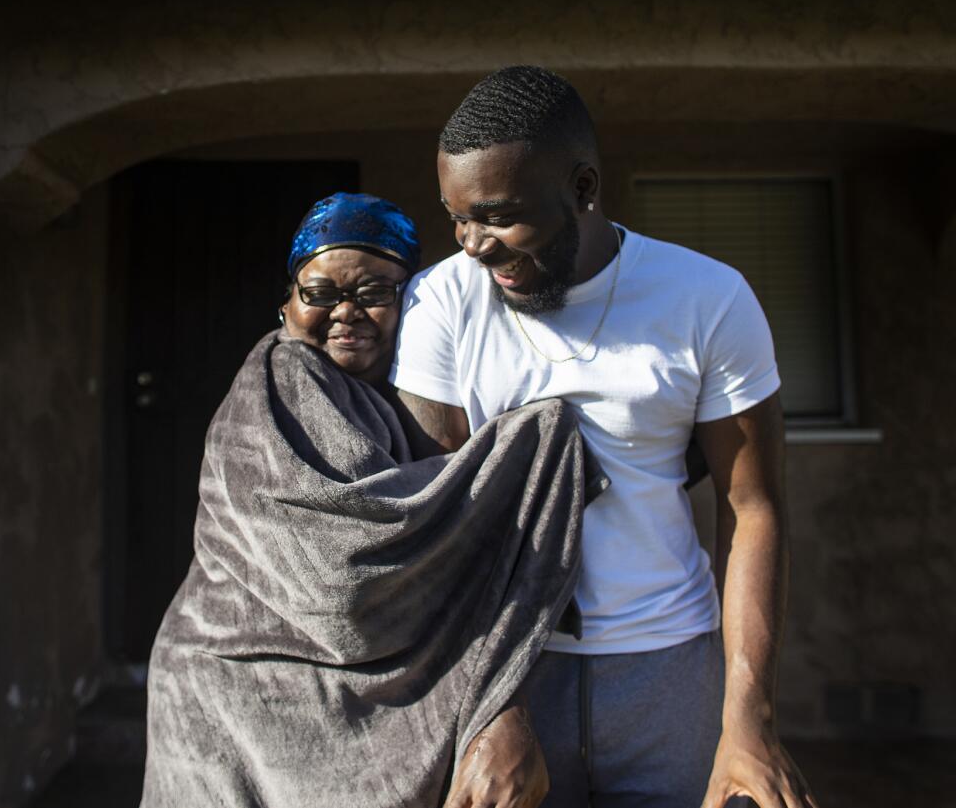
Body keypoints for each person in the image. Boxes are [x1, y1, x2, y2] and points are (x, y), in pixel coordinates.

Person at [390, 66, 819, 808]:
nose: (473, 246)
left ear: (583, 188)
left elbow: (753, 506)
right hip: (511, 669)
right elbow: (437, 524)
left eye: (498, 215)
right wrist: (497, 703)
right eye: (457, 218)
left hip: (670, 673)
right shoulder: (440, 302)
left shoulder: (708, 299)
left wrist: (748, 717)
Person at [140, 192, 603, 808]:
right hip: (234, 685)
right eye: (321, 293)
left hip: (308, 684)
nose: (346, 312)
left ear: (410, 305)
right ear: (287, 304)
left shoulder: (394, 398)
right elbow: (345, 571)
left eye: (375, 293)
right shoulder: (282, 382)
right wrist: (531, 444)